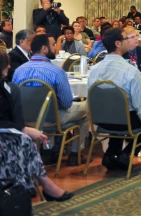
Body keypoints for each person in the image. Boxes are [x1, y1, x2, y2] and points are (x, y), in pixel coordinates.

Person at [0, 48, 73, 201]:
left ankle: (36, 185)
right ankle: (39, 185)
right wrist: (23, 129)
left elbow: (11, 114)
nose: (9, 67)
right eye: (5, 64)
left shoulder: (1, 86)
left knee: (23, 141)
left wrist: (22, 128)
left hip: (1, 133)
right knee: (23, 142)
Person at [88, 28, 141, 171]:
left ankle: (111, 153)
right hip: (124, 121)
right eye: (125, 39)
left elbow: (91, 99)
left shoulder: (94, 70)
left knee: (119, 113)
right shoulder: (130, 71)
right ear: (117, 43)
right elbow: (140, 105)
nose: (127, 41)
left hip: (101, 120)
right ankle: (126, 153)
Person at [13, 34, 87, 166]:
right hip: (52, 119)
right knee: (86, 108)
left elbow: (14, 98)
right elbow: (67, 103)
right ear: (44, 49)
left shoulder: (19, 71)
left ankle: (48, 150)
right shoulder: (57, 72)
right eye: (53, 45)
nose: (56, 48)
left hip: (25, 119)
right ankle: (76, 153)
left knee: (50, 108)